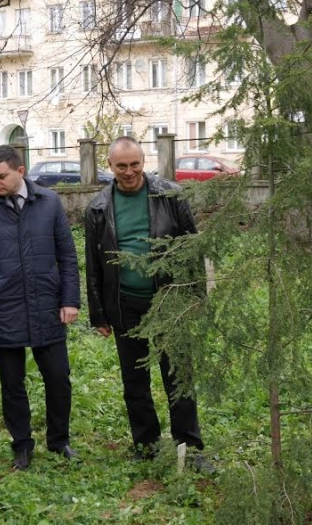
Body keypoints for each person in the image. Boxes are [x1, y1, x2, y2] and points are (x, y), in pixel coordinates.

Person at [85, 137, 212, 471]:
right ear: (110, 167)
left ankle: (191, 447)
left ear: (144, 161)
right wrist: (98, 313)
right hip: (125, 305)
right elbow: (93, 265)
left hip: (170, 302)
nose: (129, 172)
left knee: (178, 378)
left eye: (135, 164)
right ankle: (147, 446)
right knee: (135, 382)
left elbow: (191, 248)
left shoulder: (170, 196)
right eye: (121, 166)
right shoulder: (98, 208)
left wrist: (196, 296)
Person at [0, 145, 80, 470]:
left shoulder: (50, 202)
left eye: (1, 176)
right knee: (11, 384)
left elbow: (67, 255)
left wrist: (70, 299)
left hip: (47, 304)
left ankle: (59, 441)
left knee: (58, 378)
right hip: (3, 307)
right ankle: (22, 446)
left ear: (20, 171)